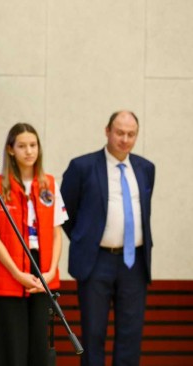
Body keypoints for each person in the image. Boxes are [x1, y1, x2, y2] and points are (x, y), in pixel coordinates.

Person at [60, 111, 155, 366]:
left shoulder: (146, 168)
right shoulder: (82, 166)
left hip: (134, 262)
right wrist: (84, 239)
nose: (125, 139)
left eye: (131, 134)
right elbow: (65, 212)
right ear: (107, 131)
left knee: (130, 335)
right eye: (120, 133)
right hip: (96, 262)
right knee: (93, 334)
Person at [0, 123, 67, 366]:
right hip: (9, 272)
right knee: (12, 347)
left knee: (41, 346)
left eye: (33, 145)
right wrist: (17, 273)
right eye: (22, 146)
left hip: (42, 274)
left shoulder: (49, 184)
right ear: (11, 150)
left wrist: (49, 272)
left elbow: (57, 233)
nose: (29, 151)